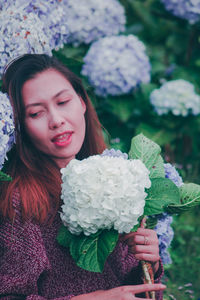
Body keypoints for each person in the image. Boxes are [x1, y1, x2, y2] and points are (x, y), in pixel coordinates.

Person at [0, 54, 165, 300]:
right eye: (36, 113)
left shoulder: (111, 178)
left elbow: (135, 290)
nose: (56, 121)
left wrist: (148, 261)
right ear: (19, 126)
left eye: (63, 101)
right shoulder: (20, 202)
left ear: (82, 102)